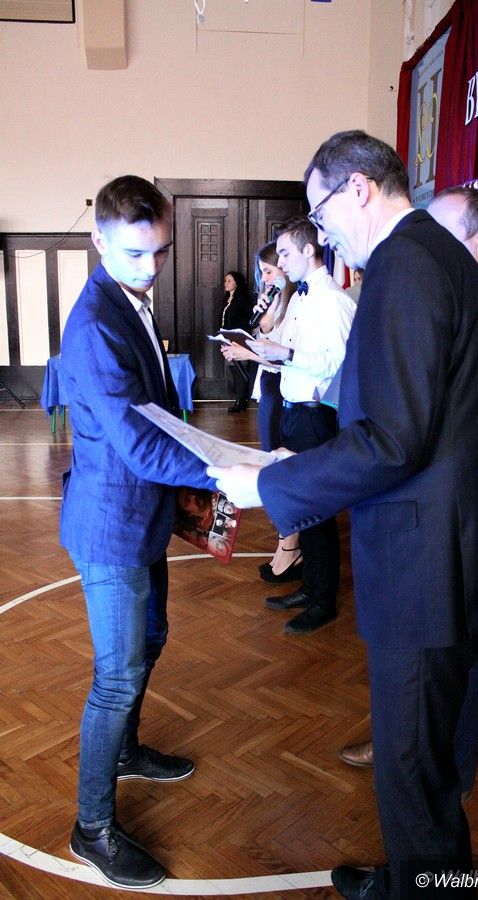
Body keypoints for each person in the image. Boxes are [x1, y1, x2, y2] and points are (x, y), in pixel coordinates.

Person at [207, 130, 478, 898]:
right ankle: (413, 877)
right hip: (443, 548)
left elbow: (394, 441)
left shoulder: (405, 265)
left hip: (423, 562)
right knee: (425, 764)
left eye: (320, 213)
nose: (322, 234)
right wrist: (296, 460)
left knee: (410, 767)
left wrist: (271, 487)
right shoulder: (431, 256)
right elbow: (403, 416)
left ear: (358, 189)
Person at [338, 186, 478, 790]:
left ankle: (446, 778)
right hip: (455, 513)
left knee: (459, 654)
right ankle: (410, 745)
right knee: (436, 653)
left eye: (441, 231)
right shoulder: (460, 295)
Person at [60, 175, 214, 891]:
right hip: (111, 525)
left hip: (141, 517)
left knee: (151, 640)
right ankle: (91, 829)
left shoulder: (130, 301)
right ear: (98, 239)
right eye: (133, 254)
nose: (150, 268)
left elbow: (156, 415)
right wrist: (225, 469)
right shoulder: (96, 324)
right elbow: (140, 446)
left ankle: (124, 752)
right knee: (116, 678)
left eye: (160, 252)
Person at [246, 215, 356, 635]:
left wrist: (286, 354)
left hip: (316, 415)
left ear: (309, 250)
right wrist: (258, 350)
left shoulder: (334, 301)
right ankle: (309, 587)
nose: (281, 262)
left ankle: (323, 600)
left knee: (317, 511)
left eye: (286, 253)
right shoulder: (298, 299)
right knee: (302, 507)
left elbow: (337, 363)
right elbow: (286, 352)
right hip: (292, 410)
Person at [221, 242, 304, 584]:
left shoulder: (298, 301)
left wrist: (248, 354)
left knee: (282, 464)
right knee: (272, 460)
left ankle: (291, 544)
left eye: (269, 271)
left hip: (284, 386)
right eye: (262, 274)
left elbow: (288, 356)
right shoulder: (273, 302)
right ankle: (286, 539)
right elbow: (265, 339)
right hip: (269, 384)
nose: (265, 279)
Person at [221, 270, 255, 413]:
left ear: (236, 283)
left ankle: (241, 401)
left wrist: (242, 333)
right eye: (225, 281)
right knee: (234, 369)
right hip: (227, 339)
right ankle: (239, 399)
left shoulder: (241, 299)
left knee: (240, 369)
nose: (226, 283)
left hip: (239, 340)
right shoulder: (226, 299)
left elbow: (251, 318)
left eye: (229, 280)